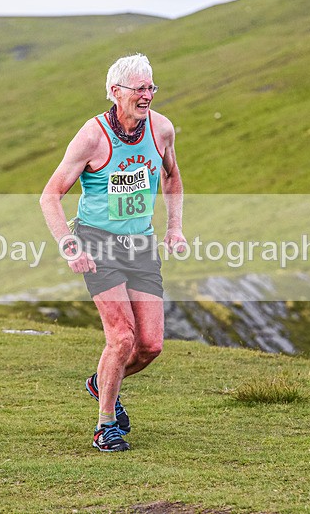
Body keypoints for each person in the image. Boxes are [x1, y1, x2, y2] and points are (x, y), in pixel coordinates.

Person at [39, 53, 186, 452]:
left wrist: (174, 228)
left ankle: (99, 382)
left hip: (141, 245)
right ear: (115, 92)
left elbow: (172, 177)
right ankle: (106, 425)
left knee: (150, 346)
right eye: (139, 88)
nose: (147, 95)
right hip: (98, 243)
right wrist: (69, 245)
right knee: (121, 338)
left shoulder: (162, 130)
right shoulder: (92, 136)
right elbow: (50, 195)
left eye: (151, 87)